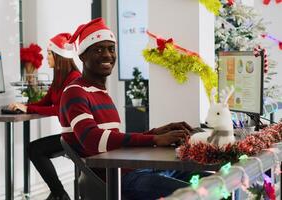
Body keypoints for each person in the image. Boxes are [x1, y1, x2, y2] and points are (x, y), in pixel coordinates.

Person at [59, 18, 197, 199]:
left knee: (208, 179)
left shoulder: (100, 91)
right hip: (117, 179)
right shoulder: (75, 92)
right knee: (200, 192)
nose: (107, 55)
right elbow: (93, 140)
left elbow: (113, 141)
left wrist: (156, 132)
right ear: (82, 56)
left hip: (132, 171)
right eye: (98, 49)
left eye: (111, 48)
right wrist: (155, 139)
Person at [9, 33, 81, 200]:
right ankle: (58, 193)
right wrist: (26, 107)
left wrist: (27, 108)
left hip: (78, 136)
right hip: (70, 134)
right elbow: (46, 101)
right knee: (35, 149)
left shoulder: (74, 79)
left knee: (35, 149)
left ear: (59, 56)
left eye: (49, 53)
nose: (46, 57)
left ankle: (59, 194)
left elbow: (58, 109)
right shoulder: (60, 78)